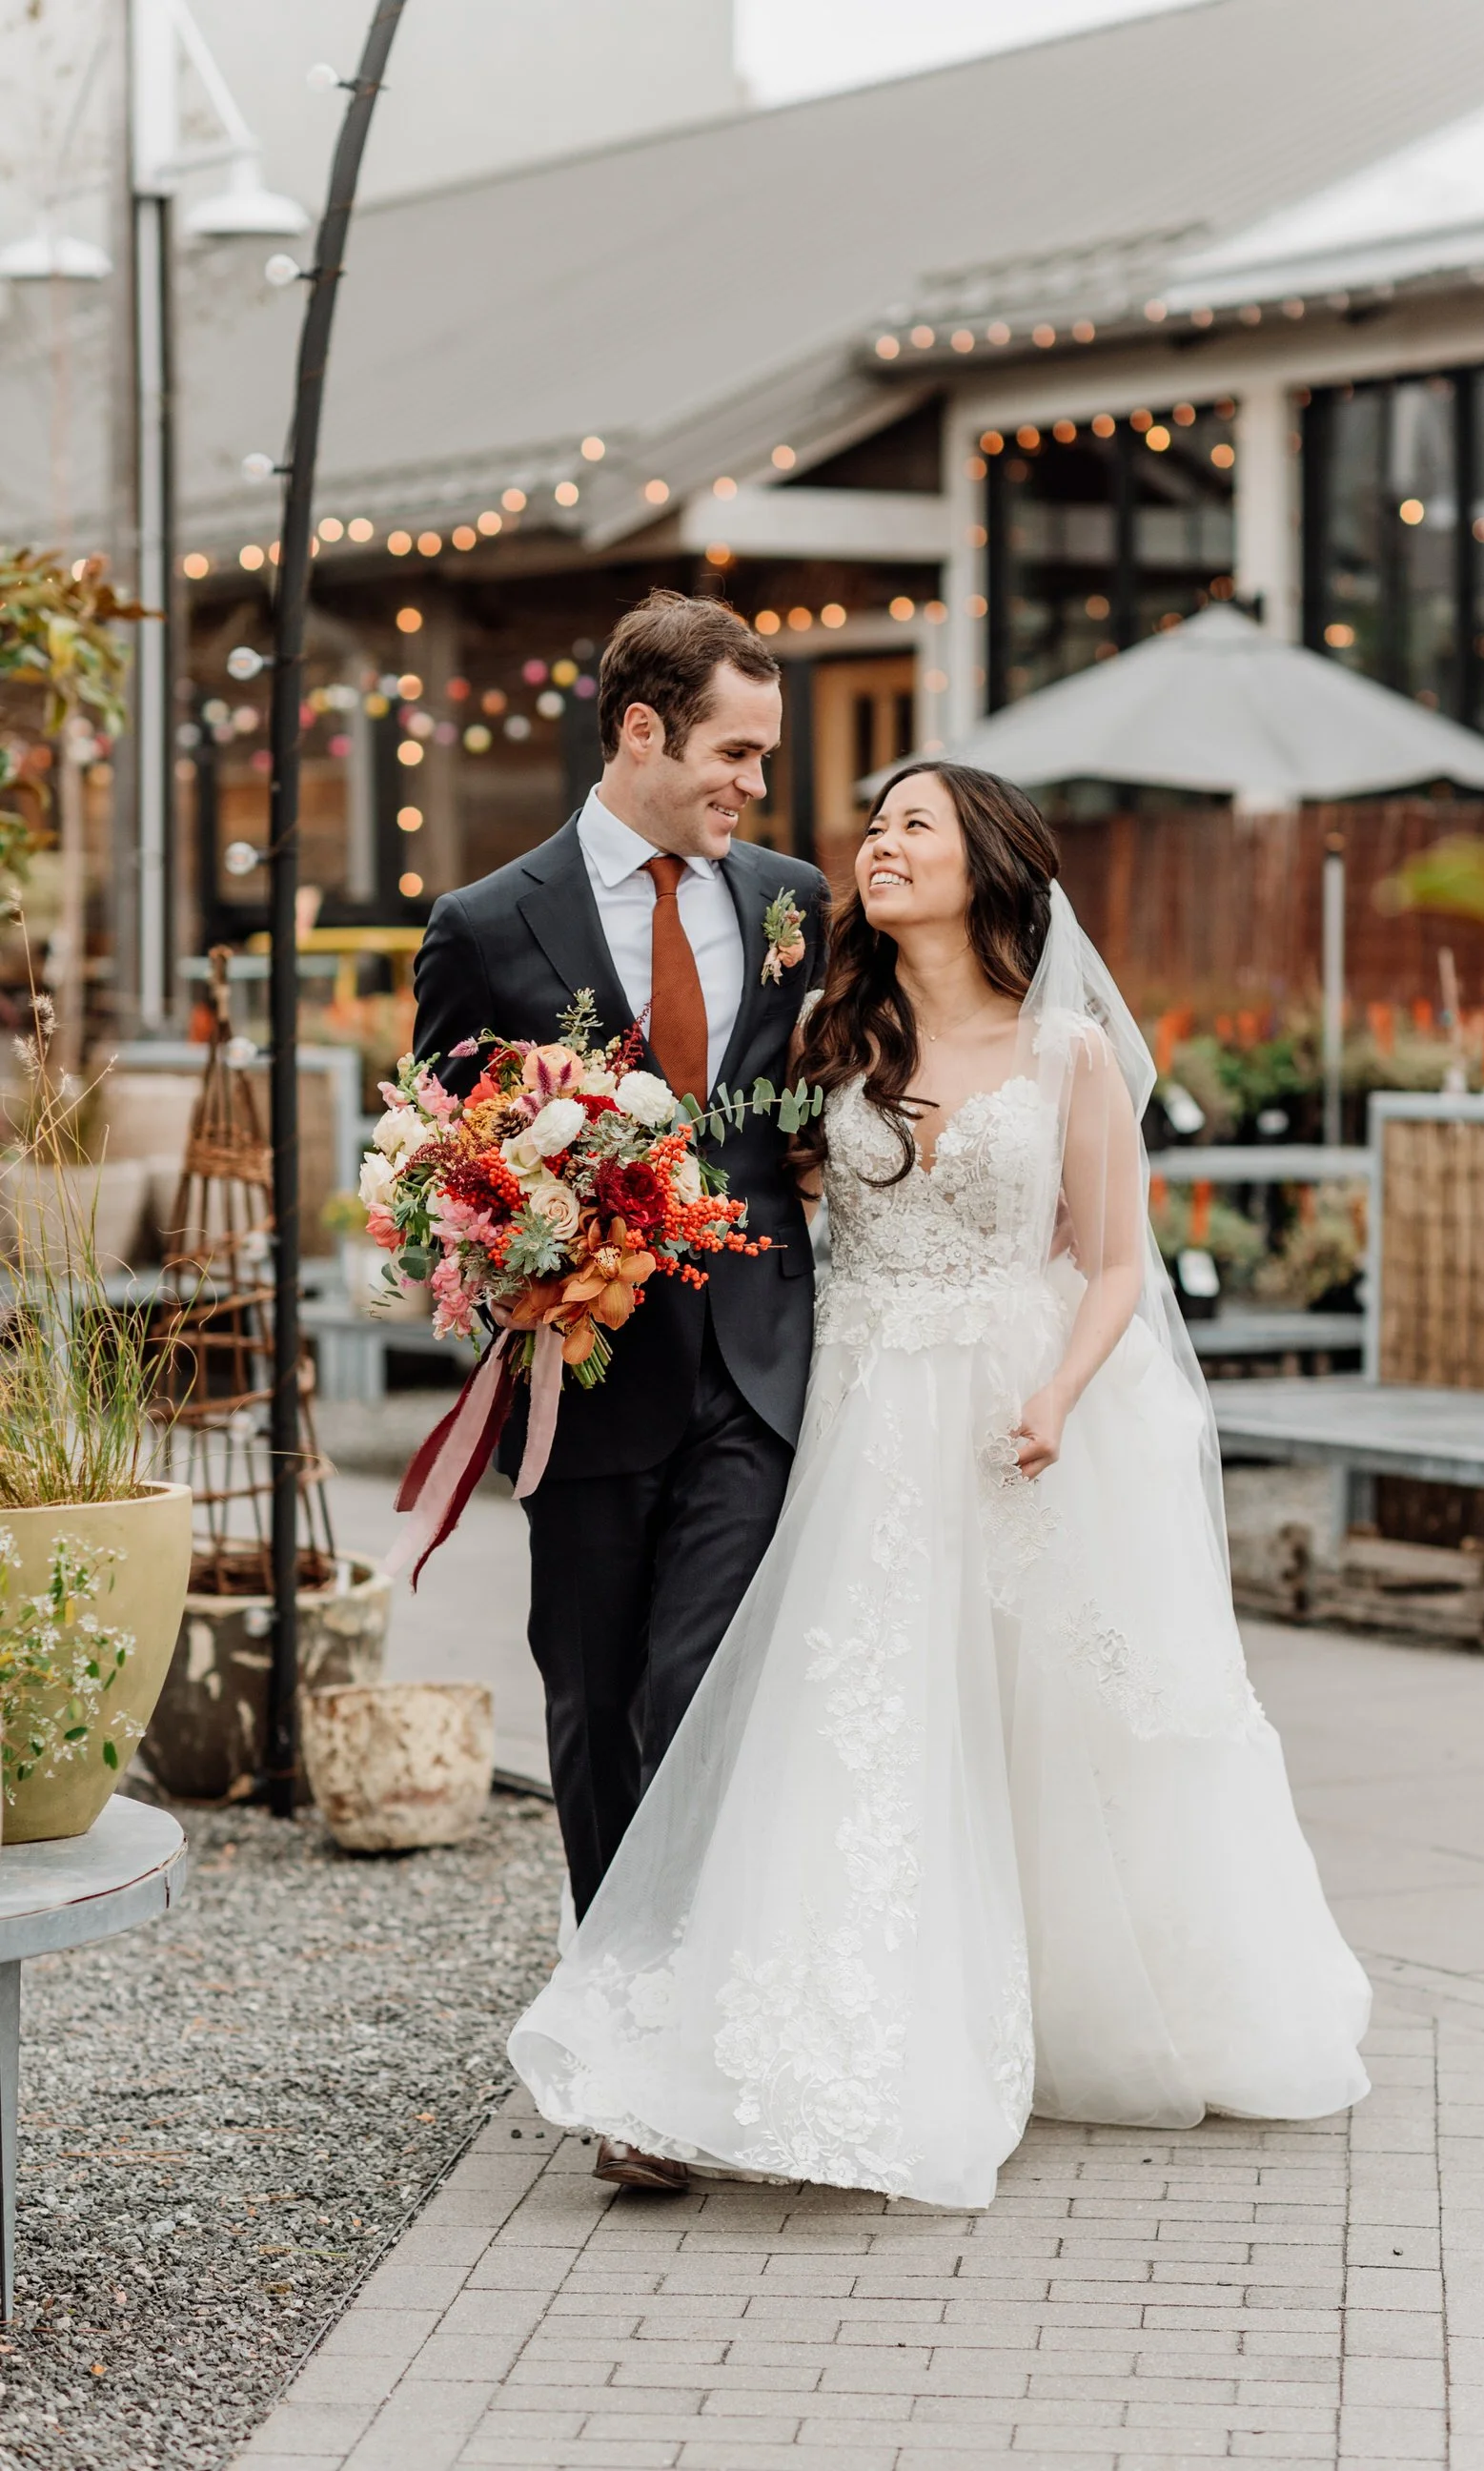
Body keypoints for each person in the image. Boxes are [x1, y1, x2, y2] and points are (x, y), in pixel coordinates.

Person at [506, 758, 1371, 2208]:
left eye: (914, 825)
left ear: (987, 862)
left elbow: (1111, 1263)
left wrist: (1052, 1395)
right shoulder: (832, 1033)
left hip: (1010, 1409)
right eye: (875, 826)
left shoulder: (1068, 1054)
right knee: (862, 1714)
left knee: (1038, 1717)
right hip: (855, 1408)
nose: (876, 845)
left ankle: (1062, 2000)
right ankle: (824, 2030)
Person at [413, 591, 829, 2188]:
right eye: (733, 751)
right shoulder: (485, 923)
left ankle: (695, 2040)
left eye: (766, 757)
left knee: (694, 1692)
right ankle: (619, 2049)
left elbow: (813, 1102)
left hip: (756, 1372)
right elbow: (441, 1163)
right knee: (592, 1712)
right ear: (641, 731)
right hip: (582, 1381)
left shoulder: (790, 900)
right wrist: (504, 1258)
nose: (751, 787)